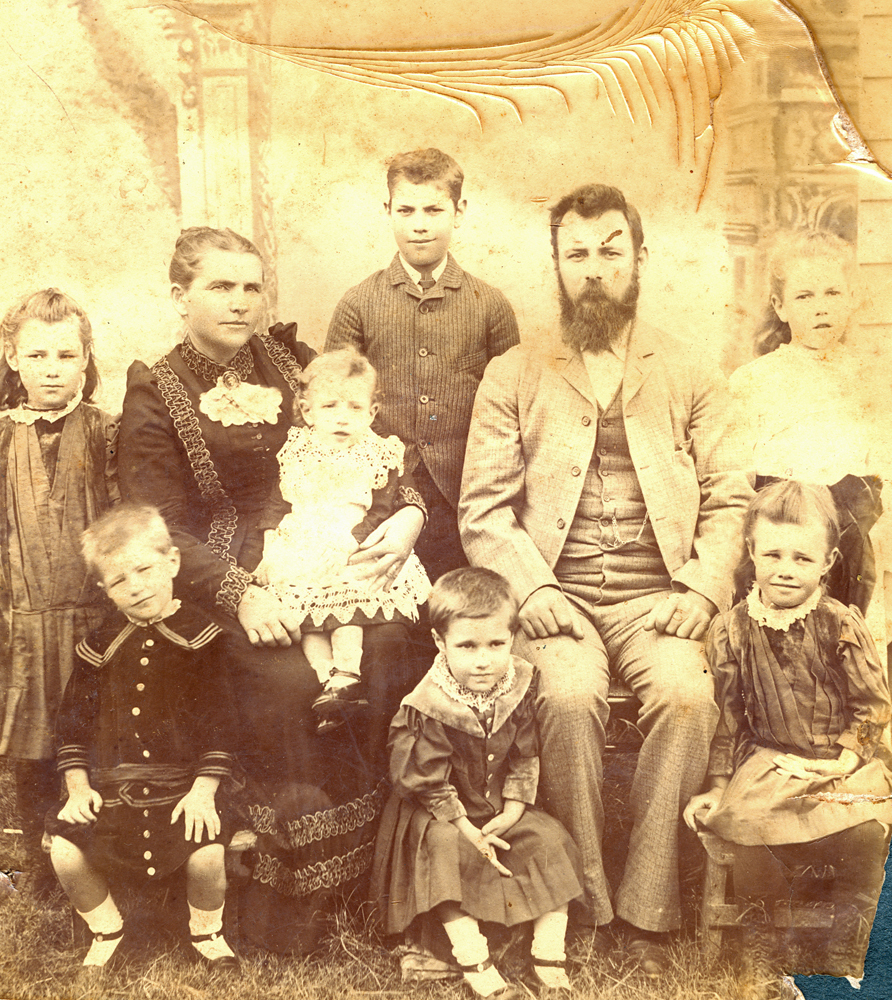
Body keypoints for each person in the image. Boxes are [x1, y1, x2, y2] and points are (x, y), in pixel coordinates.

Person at [459, 184, 753, 975]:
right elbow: (482, 511)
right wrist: (533, 591)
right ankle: (583, 899)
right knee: (562, 696)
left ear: (639, 258)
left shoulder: (689, 371)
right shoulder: (512, 372)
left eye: (609, 251)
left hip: (660, 599)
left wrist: (698, 588)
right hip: (557, 600)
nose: (593, 270)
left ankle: (648, 906)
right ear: (556, 265)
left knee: (689, 698)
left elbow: (730, 495)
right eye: (577, 254)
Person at [117, 227, 426, 953]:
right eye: (219, 287)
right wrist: (239, 592)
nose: (240, 302)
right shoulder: (156, 390)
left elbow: (380, 442)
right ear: (179, 296)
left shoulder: (294, 362)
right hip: (222, 582)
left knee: (385, 647)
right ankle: (298, 896)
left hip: (328, 562)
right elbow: (158, 524)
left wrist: (409, 513)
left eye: (251, 286)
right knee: (289, 681)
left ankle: (387, 882)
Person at [683, 480, 892, 978]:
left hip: (839, 761)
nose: (785, 569)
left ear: (829, 561)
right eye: (773, 554)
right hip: (770, 758)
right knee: (750, 827)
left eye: (802, 558)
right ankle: (763, 942)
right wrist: (717, 784)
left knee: (866, 831)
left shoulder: (841, 623)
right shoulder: (733, 628)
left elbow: (874, 705)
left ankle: (848, 944)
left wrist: (850, 755)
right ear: (751, 551)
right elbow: (729, 716)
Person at [47, 504, 240, 985]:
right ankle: (107, 930)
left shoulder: (204, 637)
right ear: (104, 590)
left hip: (185, 787)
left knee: (207, 853)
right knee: (65, 851)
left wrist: (203, 791)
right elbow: (72, 723)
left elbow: (221, 722)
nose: (135, 587)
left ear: (173, 562)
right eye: (118, 581)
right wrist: (77, 788)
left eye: (145, 570)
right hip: (114, 788)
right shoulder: (99, 642)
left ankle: (206, 931)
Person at [372, 568, 582, 999]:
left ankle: (549, 953)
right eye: (466, 646)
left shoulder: (518, 684)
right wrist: (468, 828)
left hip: (495, 810)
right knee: (447, 850)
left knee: (550, 839)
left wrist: (513, 811)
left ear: (512, 639)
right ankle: (474, 957)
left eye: (495, 645)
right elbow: (426, 783)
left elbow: (525, 754)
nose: (483, 660)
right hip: (442, 814)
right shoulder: (427, 703)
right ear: (440, 642)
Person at [325, 147, 519, 582]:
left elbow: (515, 416)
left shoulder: (490, 305)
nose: (419, 224)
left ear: (459, 211)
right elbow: (332, 409)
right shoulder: (358, 303)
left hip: (468, 499)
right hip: (380, 500)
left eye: (434, 209)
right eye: (406, 209)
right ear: (388, 210)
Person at [0, 288, 117, 869]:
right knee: (31, 734)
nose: (53, 369)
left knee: (95, 732)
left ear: (86, 359)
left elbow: (122, 516)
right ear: (13, 358)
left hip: (93, 615)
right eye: (37, 356)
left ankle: (100, 845)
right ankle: (42, 850)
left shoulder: (106, 429)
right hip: (25, 617)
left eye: (66, 355)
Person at [256, 347, 429, 733]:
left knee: (345, 602)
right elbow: (276, 503)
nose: (341, 417)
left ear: (371, 413)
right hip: (300, 543)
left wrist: (352, 542)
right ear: (307, 410)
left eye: (354, 407)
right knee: (304, 615)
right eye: (330, 406)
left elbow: (383, 506)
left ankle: (347, 674)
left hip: (354, 543)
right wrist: (270, 550)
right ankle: (326, 682)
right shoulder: (296, 451)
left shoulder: (376, 452)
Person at [729, 229, 884, 618]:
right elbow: (736, 478)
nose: (821, 308)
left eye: (833, 293)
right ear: (780, 307)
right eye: (804, 296)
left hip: (851, 546)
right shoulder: (754, 380)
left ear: (851, 299)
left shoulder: (873, 379)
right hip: (779, 545)